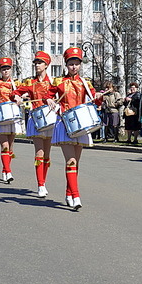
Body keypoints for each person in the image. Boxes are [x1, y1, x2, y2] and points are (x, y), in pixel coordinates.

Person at [46, 47, 103, 210]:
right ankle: (76, 195)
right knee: (70, 160)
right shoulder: (58, 82)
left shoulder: (85, 82)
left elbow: (95, 101)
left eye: (76, 64)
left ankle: (69, 192)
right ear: (66, 64)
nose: (74, 67)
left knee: (76, 163)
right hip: (64, 122)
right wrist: (49, 100)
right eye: (71, 64)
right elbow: (48, 95)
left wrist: (99, 97)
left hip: (82, 123)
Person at [14, 50, 54, 197]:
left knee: (47, 154)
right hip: (37, 118)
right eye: (36, 62)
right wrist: (17, 97)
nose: (37, 65)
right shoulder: (30, 82)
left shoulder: (53, 82)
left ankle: (44, 181)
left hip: (50, 118)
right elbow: (15, 92)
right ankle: (40, 185)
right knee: (39, 152)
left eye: (40, 62)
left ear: (46, 65)